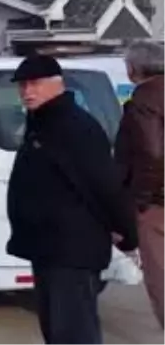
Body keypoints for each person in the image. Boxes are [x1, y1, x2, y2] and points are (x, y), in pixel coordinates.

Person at [5, 54, 139, 345]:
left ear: (57, 84)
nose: (27, 91)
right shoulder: (41, 122)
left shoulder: (75, 127)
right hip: (46, 246)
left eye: (35, 84)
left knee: (74, 333)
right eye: (23, 86)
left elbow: (105, 185)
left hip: (72, 249)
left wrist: (127, 233)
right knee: (56, 330)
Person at [114, 40, 165, 329]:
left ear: (134, 68)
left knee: (161, 282)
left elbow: (151, 152)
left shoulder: (146, 98)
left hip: (158, 204)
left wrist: (142, 199)